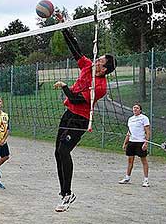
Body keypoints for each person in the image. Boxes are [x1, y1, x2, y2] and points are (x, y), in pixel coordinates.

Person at [52, 26, 116, 212]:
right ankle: (64, 193)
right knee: (57, 152)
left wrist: (64, 86)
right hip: (68, 114)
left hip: (80, 120)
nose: (96, 61)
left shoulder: (101, 86)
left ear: (104, 69)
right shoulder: (88, 66)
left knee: (64, 151)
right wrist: (63, 27)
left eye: (100, 61)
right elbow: (75, 49)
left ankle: (67, 193)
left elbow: (76, 98)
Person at [118, 103, 150, 187]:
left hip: (140, 142)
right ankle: (127, 178)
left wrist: (146, 143)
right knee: (130, 161)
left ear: (140, 110)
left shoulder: (144, 118)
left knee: (144, 161)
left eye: (137, 108)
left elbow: (147, 131)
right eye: (134, 108)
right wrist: (125, 143)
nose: (135, 109)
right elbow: (129, 132)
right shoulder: (130, 119)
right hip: (132, 142)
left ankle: (146, 180)